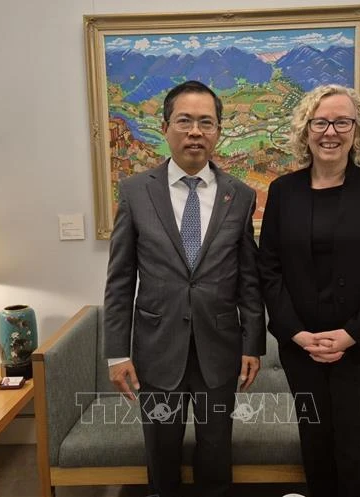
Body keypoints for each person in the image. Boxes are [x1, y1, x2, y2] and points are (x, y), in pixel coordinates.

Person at [103, 80, 266, 497]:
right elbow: (120, 281)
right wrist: (118, 353)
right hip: (157, 350)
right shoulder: (137, 192)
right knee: (162, 457)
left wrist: (253, 344)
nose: (196, 131)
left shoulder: (240, 195)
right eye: (185, 121)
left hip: (220, 350)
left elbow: (249, 278)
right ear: (166, 127)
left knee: (216, 457)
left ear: (218, 131)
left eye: (206, 122)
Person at [258, 84, 360, 497]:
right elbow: (268, 270)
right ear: (306, 130)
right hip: (304, 352)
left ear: (356, 130)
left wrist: (351, 335)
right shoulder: (283, 191)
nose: (331, 131)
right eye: (321, 121)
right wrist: (295, 333)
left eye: (342, 121)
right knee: (318, 453)